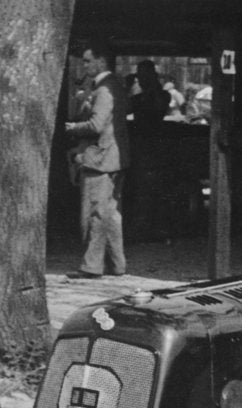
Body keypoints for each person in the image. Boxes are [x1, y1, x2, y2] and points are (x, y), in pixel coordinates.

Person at [64, 40, 130, 279]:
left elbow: (96, 125)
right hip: (115, 158)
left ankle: (91, 266)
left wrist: (72, 127)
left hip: (99, 158)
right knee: (111, 214)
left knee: (94, 212)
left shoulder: (102, 89)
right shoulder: (116, 86)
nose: (85, 65)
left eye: (88, 60)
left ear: (101, 61)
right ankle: (116, 264)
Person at [129, 59, 169, 126]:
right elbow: (124, 110)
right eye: (140, 75)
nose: (142, 79)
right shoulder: (137, 98)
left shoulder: (164, 96)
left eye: (146, 75)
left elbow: (160, 107)